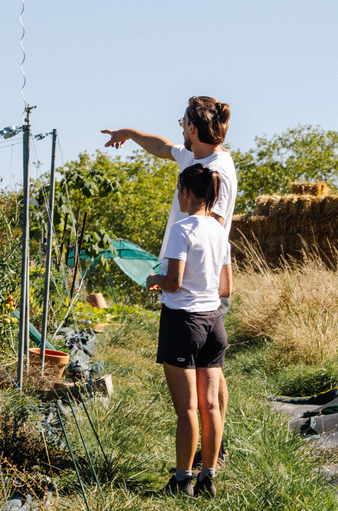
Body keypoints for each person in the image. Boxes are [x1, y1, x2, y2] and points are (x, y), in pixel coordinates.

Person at [101, 95, 236, 468]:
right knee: (209, 373)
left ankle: (210, 452)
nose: (179, 131)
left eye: (182, 124)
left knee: (204, 384)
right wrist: (128, 133)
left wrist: (172, 279)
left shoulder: (216, 172)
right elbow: (161, 147)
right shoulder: (196, 158)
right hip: (194, 284)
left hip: (198, 288)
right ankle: (210, 452)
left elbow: (211, 233)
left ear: (192, 128)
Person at [144, 163, 232, 497]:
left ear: (186, 192)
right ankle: (207, 478)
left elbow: (174, 281)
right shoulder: (219, 233)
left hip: (183, 322)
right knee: (211, 406)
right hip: (213, 322)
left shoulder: (181, 230)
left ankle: (182, 481)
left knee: (187, 409)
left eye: (178, 190)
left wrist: (155, 279)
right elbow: (225, 288)